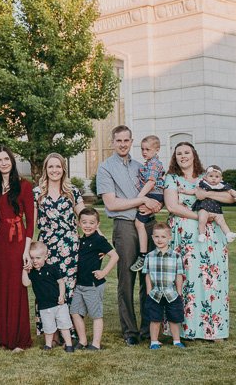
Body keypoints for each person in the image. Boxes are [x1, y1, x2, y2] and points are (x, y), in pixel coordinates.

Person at [96, 125, 162, 345]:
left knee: (149, 278)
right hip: (124, 226)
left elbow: (155, 193)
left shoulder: (141, 166)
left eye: (126, 140)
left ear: (131, 141)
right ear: (113, 142)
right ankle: (130, 331)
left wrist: (154, 204)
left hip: (148, 224)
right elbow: (112, 204)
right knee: (126, 279)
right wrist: (142, 200)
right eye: (118, 140)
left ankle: (148, 329)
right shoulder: (105, 168)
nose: (123, 144)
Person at [163, 141, 233, 340]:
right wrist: (200, 216)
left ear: (194, 155)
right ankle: (186, 330)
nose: (183, 156)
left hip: (212, 238)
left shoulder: (207, 177)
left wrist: (206, 194)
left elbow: (230, 197)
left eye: (187, 152)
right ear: (175, 158)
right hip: (184, 236)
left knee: (212, 280)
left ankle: (214, 330)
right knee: (187, 281)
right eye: (179, 154)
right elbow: (172, 206)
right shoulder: (171, 178)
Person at [33, 152, 84, 338]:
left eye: (58, 166)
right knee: (46, 287)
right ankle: (50, 332)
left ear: (63, 168)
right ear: (46, 169)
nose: (54, 170)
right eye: (50, 166)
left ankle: (69, 332)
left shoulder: (73, 192)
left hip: (69, 247)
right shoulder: (37, 193)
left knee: (68, 287)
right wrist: (28, 249)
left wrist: (100, 242)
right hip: (46, 247)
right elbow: (31, 223)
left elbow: (84, 217)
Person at [0, 145, 33, 351]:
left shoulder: (24, 186)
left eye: (7, 159)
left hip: (17, 242)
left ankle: (18, 340)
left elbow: (31, 222)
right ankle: (0, 338)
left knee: (16, 289)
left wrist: (26, 250)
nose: (4, 163)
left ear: (12, 161)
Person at [70, 208, 118, 351]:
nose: (88, 225)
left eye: (91, 223)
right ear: (79, 223)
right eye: (84, 222)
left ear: (97, 224)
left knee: (96, 315)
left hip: (93, 285)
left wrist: (104, 272)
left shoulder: (99, 240)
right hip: (79, 285)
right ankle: (83, 340)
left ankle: (96, 344)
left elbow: (115, 256)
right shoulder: (80, 240)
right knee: (75, 312)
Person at [22, 241, 74, 352]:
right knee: (48, 327)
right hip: (44, 306)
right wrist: (25, 271)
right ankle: (48, 345)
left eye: (38, 258)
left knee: (64, 325)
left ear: (45, 257)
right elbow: (26, 283)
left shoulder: (52, 268)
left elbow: (61, 282)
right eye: (32, 258)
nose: (35, 261)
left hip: (58, 303)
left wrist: (61, 295)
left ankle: (69, 344)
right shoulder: (32, 272)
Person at [142, 222, 186, 350]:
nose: (159, 240)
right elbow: (148, 275)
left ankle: (176, 340)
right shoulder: (149, 256)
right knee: (155, 319)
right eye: (156, 237)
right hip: (155, 293)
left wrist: (179, 292)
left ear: (169, 238)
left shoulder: (176, 256)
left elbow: (179, 275)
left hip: (171, 293)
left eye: (163, 237)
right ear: (152, 237)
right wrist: (149, 291)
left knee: (174, 318)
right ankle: (154, 341)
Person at [130, 135, 166, 272]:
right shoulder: (150, 163)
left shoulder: (154, 164)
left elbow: (151, 182)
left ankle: (143, 256)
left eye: (148, 149)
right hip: (155, 194)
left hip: (153, 193)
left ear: (157, 150)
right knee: (143, 222)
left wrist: (140, 197)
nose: (144, 152)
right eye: (142, 149)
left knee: (139, 223)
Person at [180, 164, 236, 243]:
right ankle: (201, 234)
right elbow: (194, 191)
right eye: (211, 176)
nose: (213, 179)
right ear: (205, 177)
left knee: (222, 221)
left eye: (216, 177)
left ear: (221, 178)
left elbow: (231, 191)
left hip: (216, 207)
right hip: (204, 206)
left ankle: (228, 234)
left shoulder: (221, 185)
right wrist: (185, 191)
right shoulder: (203, 184)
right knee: (202, 219)